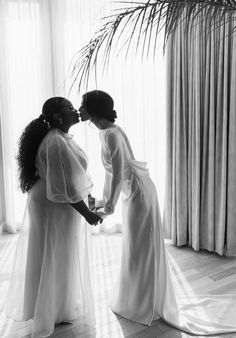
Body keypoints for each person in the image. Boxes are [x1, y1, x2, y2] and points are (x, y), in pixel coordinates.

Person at [79, 90, 236, 335]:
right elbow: (111, 174)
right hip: (131, 194)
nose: (79, 109)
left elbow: (119, 171)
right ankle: (138, 299)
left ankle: (147, 303)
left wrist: (108, 208)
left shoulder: (110, 133)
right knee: (136, 247)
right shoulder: (105, 133)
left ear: (94, 109)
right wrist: (102, 201)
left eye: (83, 105)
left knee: (142, 247)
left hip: (139, 194)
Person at [6, 97, 102, 338]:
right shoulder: (55, 143)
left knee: (59, 254)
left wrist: (88, 196)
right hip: (53, 204)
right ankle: (50, 310)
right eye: (70, 108)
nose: (75, 111)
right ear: (58, 117)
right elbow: (65, 187)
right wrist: (88, 213)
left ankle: (58, 307)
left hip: (54, 200)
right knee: (53, 254)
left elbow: (73, 176)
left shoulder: (62, 139)